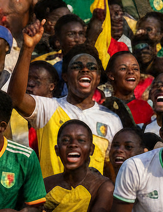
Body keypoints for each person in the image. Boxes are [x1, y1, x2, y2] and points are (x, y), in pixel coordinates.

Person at [9, 22, 122, 177]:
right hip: (49, 199)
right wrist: (28, 48)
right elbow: (15, 98)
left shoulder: (112, 119)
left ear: (97, 79)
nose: (85, 69)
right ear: (66, 76)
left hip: (92, 201)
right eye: (77, 66)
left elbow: (112, 171)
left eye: (92, 67)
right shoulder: (48, 108)